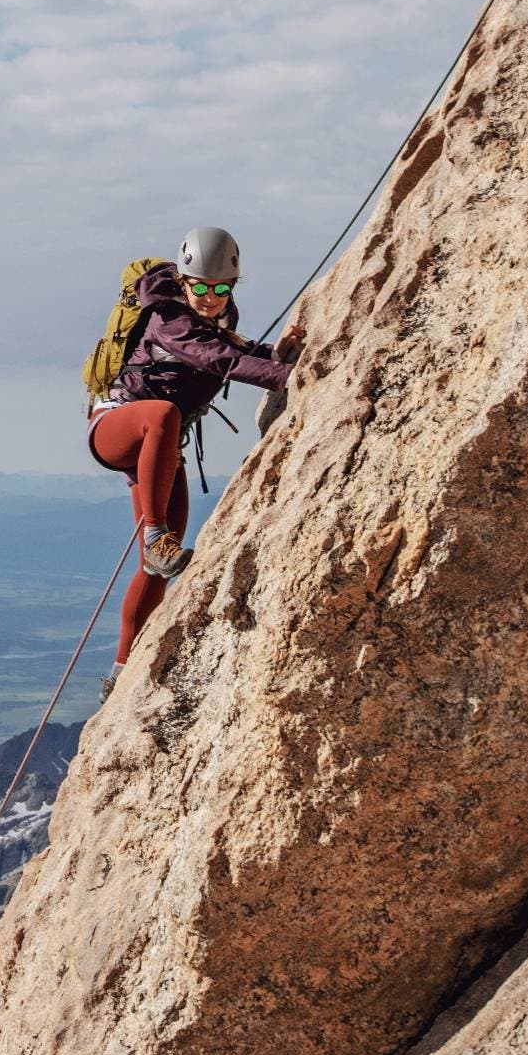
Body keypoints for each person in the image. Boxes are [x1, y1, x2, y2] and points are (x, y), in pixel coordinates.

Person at [89, 227, 302, 702]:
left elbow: (235, 350)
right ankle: (153, 536)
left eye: (220, 288)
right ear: (184, 281)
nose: (209, 297)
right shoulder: (168, 317)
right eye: (200, 287)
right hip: (117, 428)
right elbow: (218, 359)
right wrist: (291, 376)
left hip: (161, 447)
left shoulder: (219, 317)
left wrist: (275, 356)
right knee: (162, 416)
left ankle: (120, 674)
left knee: (158, 569)